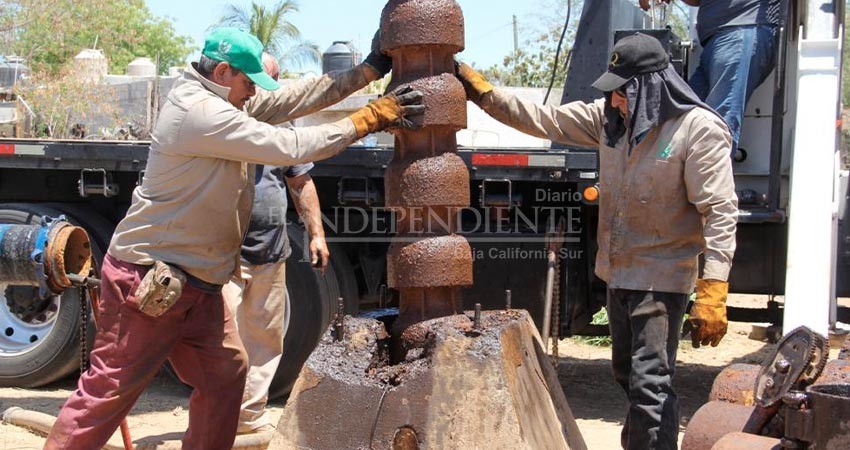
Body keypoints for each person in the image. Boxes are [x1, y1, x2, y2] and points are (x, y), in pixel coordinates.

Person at [44, 27, 421, 450]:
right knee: (109, 390)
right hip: (148, 279)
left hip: (198, 284)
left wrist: (367, 71)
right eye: (248, 82)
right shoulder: (199, 112)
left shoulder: (225, 100)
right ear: (223, 72)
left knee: (225, 375)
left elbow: (293, 98)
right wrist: (371, 117)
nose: (253, 93)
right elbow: (288, 146)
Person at [456, 33, 738, 450]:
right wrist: (483, 94)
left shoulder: (697, 130)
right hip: (619, 274)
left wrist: (713, 285)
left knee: (650, 382)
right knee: (629, 377)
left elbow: (720, 210)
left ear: (650, 88)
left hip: (661, 277)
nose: (614, 100)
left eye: (622, 92)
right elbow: (544, 119)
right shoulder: (610, 123)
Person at [221, 53, 331, 435]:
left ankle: (248, 419)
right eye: (255, 82)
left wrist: (316, 234)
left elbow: (300, 180)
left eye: (270, 82)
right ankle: (216, 419)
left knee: (265, 340)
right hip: (224, 254)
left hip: (270, 249)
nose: (260, 91)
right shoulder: (220, 117)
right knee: (222, 341)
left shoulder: (282, 122)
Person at [640, 0, 781, 154]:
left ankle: (708, 170)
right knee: (681, 117)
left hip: (739, 32)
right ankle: (664, 166)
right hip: (720, 41)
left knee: (716, 125)